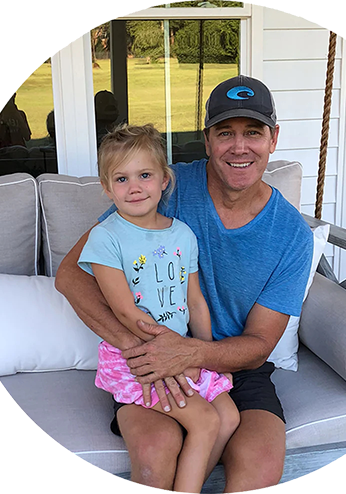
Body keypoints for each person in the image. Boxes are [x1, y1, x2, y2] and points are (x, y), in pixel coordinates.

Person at [56, 75, 313, 491]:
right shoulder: (162, 187)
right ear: (207, 140)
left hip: (234, 365)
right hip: (147, 353)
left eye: (253, 132)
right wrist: (142, 349)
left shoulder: (291, 234)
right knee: (155, 451)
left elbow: (261, 343)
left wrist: (192, 354)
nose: (239, 147)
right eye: (225, 133)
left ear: (273, 139)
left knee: (261, 468)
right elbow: (70, 275)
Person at [76, 124, 239, 493]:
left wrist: (203, 354)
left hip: (180, 350)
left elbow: (195, 301)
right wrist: (171, 355)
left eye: (145, 175)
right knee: (205, 422)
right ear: (106, 188)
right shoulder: (106, 237)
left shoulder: (182, 234)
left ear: (164, 180)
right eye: (121, 179)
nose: (134, 187)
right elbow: (123, 311)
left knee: (228, 417)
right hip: (137, 355)